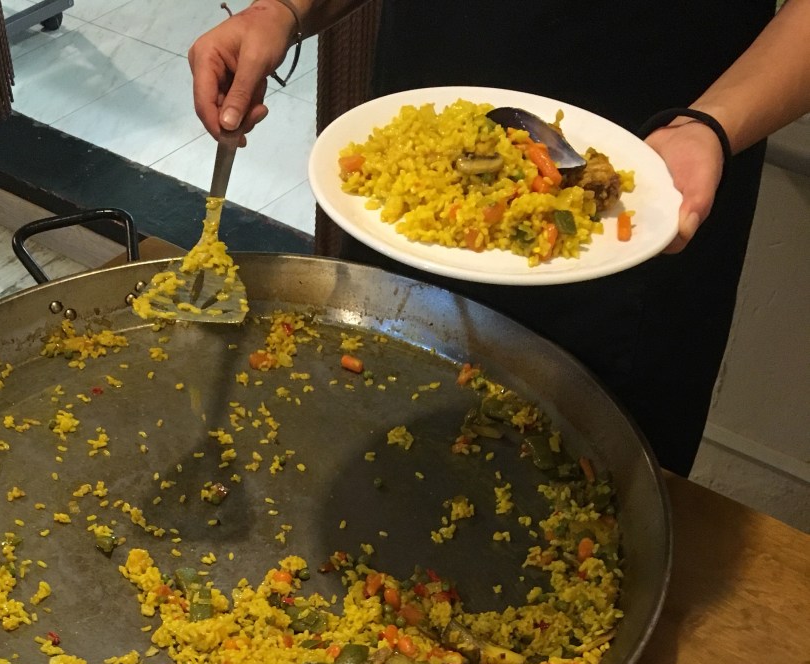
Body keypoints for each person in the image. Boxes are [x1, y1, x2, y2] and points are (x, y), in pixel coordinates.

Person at [188, 0, 810, 474]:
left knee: (594, 514)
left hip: (648, 183)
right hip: (417, 175)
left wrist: (711, 124)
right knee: (362, 446)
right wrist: (285, 9)